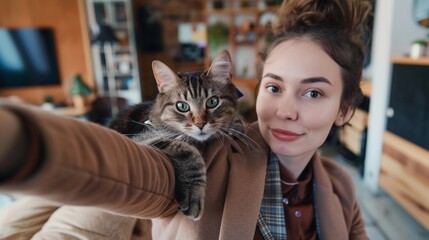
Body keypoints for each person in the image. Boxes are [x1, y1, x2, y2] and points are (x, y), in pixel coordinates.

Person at [0, 0, 371, 239]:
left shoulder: (341, 187)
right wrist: (21, 139)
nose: (286, 110)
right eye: (274, 88)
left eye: (313, 93)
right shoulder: (204, 155)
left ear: (344, 109)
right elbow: (119, 170)